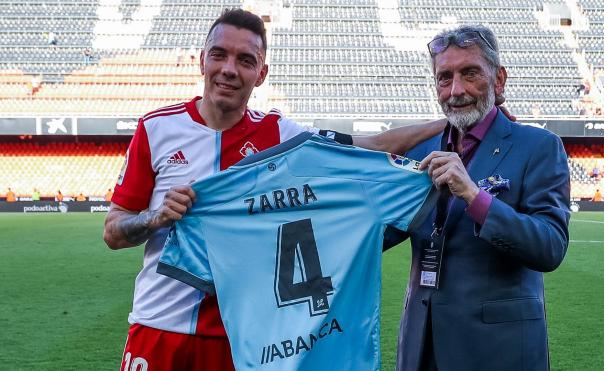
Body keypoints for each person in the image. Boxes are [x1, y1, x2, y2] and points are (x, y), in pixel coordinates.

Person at [102, 9, 451, 371]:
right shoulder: (157, 128)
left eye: (246, 60)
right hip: (159, 326)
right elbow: (114, 232)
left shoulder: (279, 135)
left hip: (246, 340)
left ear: (261, 74)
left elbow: (371, 145)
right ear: (202, 60)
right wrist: (155, 218)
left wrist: (452, 120)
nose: (229, 69)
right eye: (219, 54)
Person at [384, 24, 570, 370]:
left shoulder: (539, 146)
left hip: (498, 350)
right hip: (421, 345)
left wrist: (473, 195)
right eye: (444, 77)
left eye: (470, 74)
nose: (456, 90)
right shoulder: (421, 149)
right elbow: (387, 229)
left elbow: (550, 246)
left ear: (498, 80)